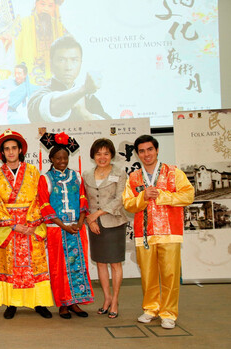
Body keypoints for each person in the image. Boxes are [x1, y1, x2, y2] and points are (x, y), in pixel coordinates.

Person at [123, 135, 194, 329]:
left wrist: (162, 196)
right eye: (142, 151)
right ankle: (150, 309)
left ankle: (169, 313)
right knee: (147, 274)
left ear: (157, 150)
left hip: (170, 231)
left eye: (150, 150)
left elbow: (188, 195)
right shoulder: (134, 177)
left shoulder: (173, 172)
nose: (146, 154)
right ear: (138, 154)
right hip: (143, 234)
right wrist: (143, 197)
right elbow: (128, 204)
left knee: (170, 274)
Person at [0, 129, 54, 320]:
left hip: (30, 225)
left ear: (20, 150)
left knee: (34, 265)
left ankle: (39, 302)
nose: (10, 152)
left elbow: (39, 197)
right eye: (6, 149)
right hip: (10, 228)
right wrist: (12, 225)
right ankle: (11, 303)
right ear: (2, 153)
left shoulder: (34, 172)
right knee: (10, 266)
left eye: (13, 148)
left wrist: (32, 223)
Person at [38, 132, 94, 319]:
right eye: (58, 158)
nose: (62, 161)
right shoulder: (45, 179)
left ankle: (75, 302)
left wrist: (79, 223)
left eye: (65, 157)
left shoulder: (76, 176)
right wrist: (63, 226)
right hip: (56, 230)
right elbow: (44, 205)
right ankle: (62, 304)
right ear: (51, 159)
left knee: (77, 266)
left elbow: (83, 199)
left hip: (77, 229)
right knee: (58, 267)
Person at [82, 138, 130, 319]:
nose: (102, 157)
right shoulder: (86, 174)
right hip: (94, 225)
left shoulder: (120, 173)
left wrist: (97, 214)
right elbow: (84, 199)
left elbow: (120, 199)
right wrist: (90, 219)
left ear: (112, 155)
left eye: (106, 153)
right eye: (98, 153)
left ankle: (116, 300)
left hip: (114, 222)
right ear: (93, 155)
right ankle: (107, 298)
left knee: (115, 263)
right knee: (101, 262)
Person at [28, 35, 110, 123]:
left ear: (80, 63)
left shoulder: (90, 99)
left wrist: (83, 113)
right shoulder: (38, 96)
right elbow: (50, 105)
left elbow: (110, 129)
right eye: (61, 60)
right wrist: (83, 89)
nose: (68, 67)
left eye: (74, 60)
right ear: (51, 63)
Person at [15, 0, 67, 85]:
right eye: (42, 4)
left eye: (50, 6)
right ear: (36, 3)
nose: (46, 9)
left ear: (54, 8)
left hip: (52, 76)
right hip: (30, 74)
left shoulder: (58, 26)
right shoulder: (23, 23)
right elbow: (14, 50)